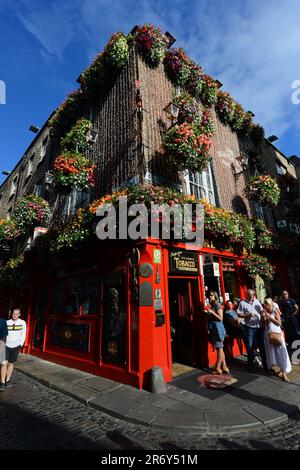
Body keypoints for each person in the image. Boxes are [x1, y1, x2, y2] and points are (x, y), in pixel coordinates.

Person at [261, 298, 291, 382]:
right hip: (268, 335)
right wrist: (263, 318)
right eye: (264, 304)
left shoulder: (275, 311)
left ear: (270, 304)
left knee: (281, 353)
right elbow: (263, 324)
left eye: (266, 304)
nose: (264, 305)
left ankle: (284, 372)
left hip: (277, 334)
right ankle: (280, 370)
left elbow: (279, 323)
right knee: (273, 354)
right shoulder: (263, 312)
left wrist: (270, 318)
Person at [237, 289, 267, 372]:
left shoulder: (257, 302)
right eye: (249, 295)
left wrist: (263, 312)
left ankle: (266, 365)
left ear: (254, 295)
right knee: (250, 348)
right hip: (249, 328)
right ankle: (250, 367)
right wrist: (247, 315)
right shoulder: (242, 303)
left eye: (252, 295)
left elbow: (261, 311)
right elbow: (239, 314)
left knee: (262, 346)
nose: (251, 296)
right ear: (246, 294)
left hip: (259, 327)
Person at [1, 308, 26, 389]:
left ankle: (7, 380)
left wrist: (20, 344)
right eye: (13, 314)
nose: (14, 315)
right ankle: (2, 382)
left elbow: (23, 334)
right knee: (3, 364)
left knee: (11, 364)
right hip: (6, 346)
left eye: (16, 314)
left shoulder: (22, 323)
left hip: (16, 346)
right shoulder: (7, 322)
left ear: (19, 314)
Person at [206, 291, 229, 375]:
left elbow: (220, 318)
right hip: (214, 329)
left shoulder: (217, 305)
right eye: (209, 295)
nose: (210, 296)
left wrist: (211, 312)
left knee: (219, 349)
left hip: (217, 330)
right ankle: (224, 367)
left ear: (215, 296)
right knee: (220, 348)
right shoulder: (213, 305)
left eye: (211, 295)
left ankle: (218, 368)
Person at [0, 317, 8, 392]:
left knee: (3, 363)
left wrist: (1, 348)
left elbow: (4, 335)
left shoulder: (2, 321)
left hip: (1, 344)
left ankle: (2, 382)